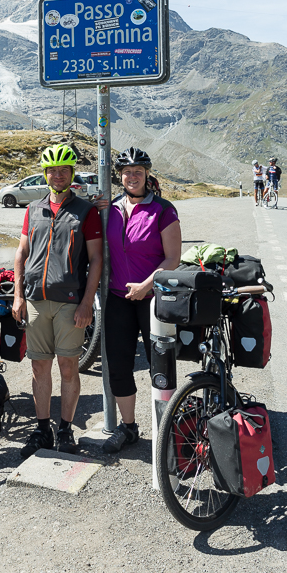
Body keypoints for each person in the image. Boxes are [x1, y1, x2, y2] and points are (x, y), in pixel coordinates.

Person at [13, 144, 103, 457]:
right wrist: (18, 295)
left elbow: (96, 259)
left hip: (70, 302)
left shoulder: (86, 211)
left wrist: (87, 303)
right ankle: (42, 430)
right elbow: (21, 253)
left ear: (72, 173)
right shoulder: (33, 209)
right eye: (52, 170)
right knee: (39, 368)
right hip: (36, 300)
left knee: (68, 367)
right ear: (45, 173)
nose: (58, 175)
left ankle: (65, 429)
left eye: (64, 169)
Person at [97, 147, 182, 454]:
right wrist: (95, 207)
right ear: (119, 177)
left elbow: (173, 258)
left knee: (160, 364)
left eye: (138, 172)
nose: (132, 177)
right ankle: (129, 427)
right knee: (119, 365)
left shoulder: (163, 210)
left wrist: (147, 285)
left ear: (147, 175)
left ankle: (167, 428)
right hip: (118, 299)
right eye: (126, 172)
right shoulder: (111, 209)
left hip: (153, 299)